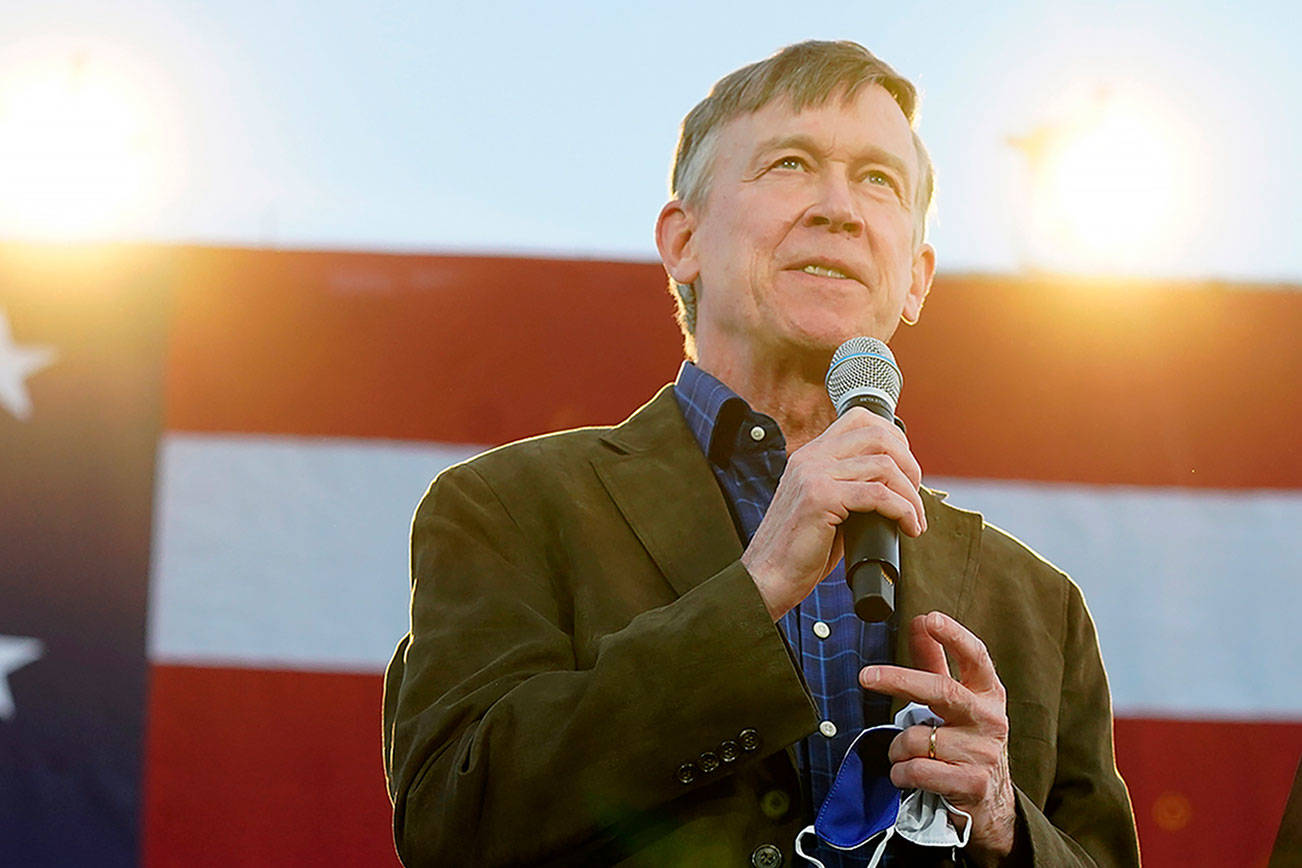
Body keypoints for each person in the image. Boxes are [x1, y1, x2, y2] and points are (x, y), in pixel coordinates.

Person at [382, 40, 1140, 867]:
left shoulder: (1041, 605)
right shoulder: (506, 510)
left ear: (916, 278)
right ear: (683, 240)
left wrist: (1001, 819)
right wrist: (753, 593)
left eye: (879, 181)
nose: (840, 209)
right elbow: (452, 824)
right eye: (790, 164)